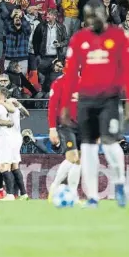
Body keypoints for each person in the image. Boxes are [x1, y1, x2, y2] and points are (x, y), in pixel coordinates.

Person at [60, 0, 129, 208]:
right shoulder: (79, 39)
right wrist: (66, 104)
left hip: (109, 99)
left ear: (104, 13)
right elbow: (69, 75)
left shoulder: (118, 36)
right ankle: (93, 197)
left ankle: (120, 183)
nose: (91, 20)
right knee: (88, 147)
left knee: (110, 142)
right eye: (87, 17)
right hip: (86, 100)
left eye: (95, 16)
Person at [47, 73, 81, 202]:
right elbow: (52, 106)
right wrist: (52, 128)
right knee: (73, 157)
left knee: (79, 161)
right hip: (66, 125)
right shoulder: (59, 82)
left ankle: (73, 193)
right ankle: (55, 185)